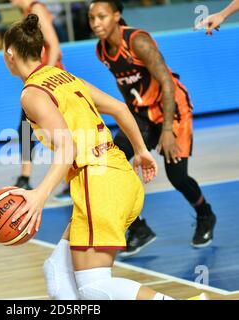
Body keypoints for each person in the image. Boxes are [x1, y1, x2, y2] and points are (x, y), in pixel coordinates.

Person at [3, 13, 207, 301]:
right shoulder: (65, 77)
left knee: (94, 287)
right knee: (56, 270)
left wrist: (39, 195)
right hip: (119, 175)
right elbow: (121, 109)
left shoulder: (31, 94)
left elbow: (67, 148)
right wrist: (140, 151)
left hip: (97, 184)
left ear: (9, 53)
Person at [88, 0, 217, 257]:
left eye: (101, 17)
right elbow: (127, 87)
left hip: (173, 108)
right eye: (92, 19)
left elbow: (167, 83)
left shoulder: (138, 41)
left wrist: (167, 130)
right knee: (109, 163)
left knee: (177, 177)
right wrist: (128, 122)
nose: (95, 23)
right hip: (142, 114)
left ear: (116, 16)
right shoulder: (102, 51)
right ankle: (138, 228)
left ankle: (205, 214)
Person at [9, 0, 70, 202]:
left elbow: (53, 45)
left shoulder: (36, 9)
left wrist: (47, 76)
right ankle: (26, 177)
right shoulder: (27, 11)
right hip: (40, 81)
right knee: (27, 129)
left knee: (53, 133)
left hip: (49, 83)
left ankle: (29, 177)